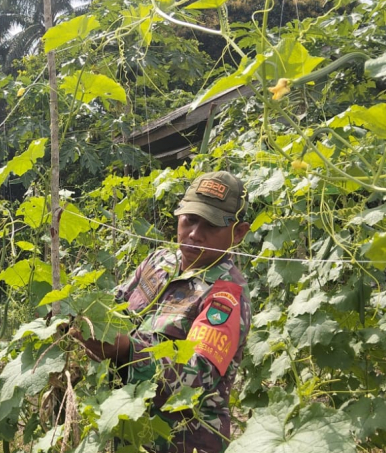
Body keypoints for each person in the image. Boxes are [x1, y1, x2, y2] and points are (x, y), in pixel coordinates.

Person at [73, 171, 252, 453]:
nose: (194, 234)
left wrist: (128, 350)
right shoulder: (160, 260)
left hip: (183, 440)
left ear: (238, 232)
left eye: (211, 225)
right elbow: (117, 304)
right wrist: (81, 318)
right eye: (190, 219)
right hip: (131, 424)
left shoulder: (226, 295)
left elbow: (198, 375)